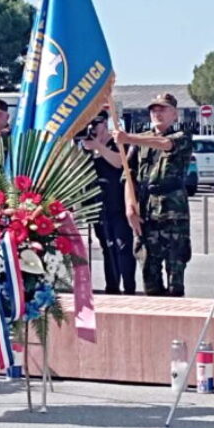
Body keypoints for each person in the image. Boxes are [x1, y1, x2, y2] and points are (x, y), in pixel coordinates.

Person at [116, 93, 193, 297]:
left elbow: (166, 144)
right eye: (154, 110)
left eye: (163, 109)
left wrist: (127, 138)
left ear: (174, 114)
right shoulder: (139, 142)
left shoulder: (182, 137)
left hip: (172, 214)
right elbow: (128, 175)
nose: (157, 113)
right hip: (147, 211)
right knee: (149, 270)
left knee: (175, 275)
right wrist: (130, 208)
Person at [82, 110, 135, 294]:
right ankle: (112, 287)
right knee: (107, 246)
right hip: (98, 203)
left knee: (122, 246)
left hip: (118, 202)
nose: (93, 128)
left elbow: (120, 163)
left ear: (104, 123)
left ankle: (129, 287)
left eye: (96, 123)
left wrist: (99, 147)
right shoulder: (85, 145)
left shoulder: (116, 140)